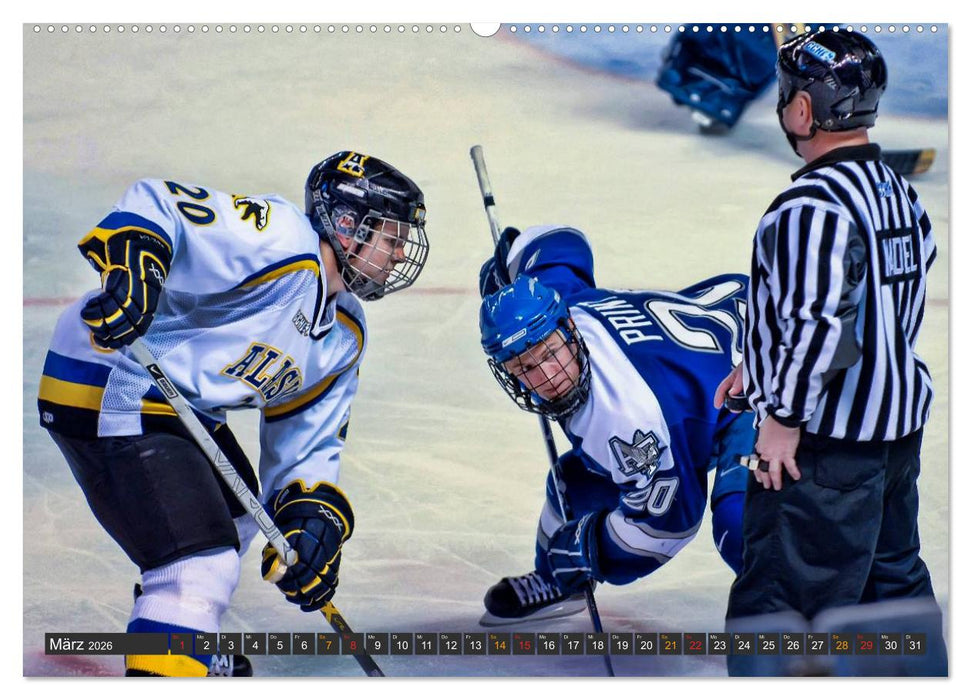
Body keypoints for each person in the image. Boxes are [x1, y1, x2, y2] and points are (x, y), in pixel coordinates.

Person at [37, 151, 429, 676]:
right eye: (392, 234)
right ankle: (169, 649)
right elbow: (161, 205)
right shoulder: (282, 241)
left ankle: (177, 637)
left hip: (179, 406)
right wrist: (136, 265)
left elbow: (308, 447)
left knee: (241, 521)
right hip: (114, 372)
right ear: (345, 224)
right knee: (195, 566)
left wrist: (309, 524)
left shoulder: (342, 336)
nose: (400, 251)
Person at [714, 29, 947, 675]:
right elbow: (887, 303)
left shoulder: (808, 207)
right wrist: (757, 364)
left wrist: (781, 418)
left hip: (825, 451)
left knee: (781, 610)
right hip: (895, 439)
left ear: (800, 111)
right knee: (890, 595)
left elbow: (820, 327)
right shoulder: (896, 190)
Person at [475, 224, 752, 625]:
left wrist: (592, 550)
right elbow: (559, 242)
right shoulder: (558, 305)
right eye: (524, 367)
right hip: (709, 352)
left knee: (739, 519)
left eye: (549, 353)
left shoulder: (625, 416)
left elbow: (669, 525)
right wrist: (511, 262)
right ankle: (558, 582)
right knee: (577, 482)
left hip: (753, 374)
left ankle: (814, 615)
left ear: (569, 330)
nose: (546, 377)